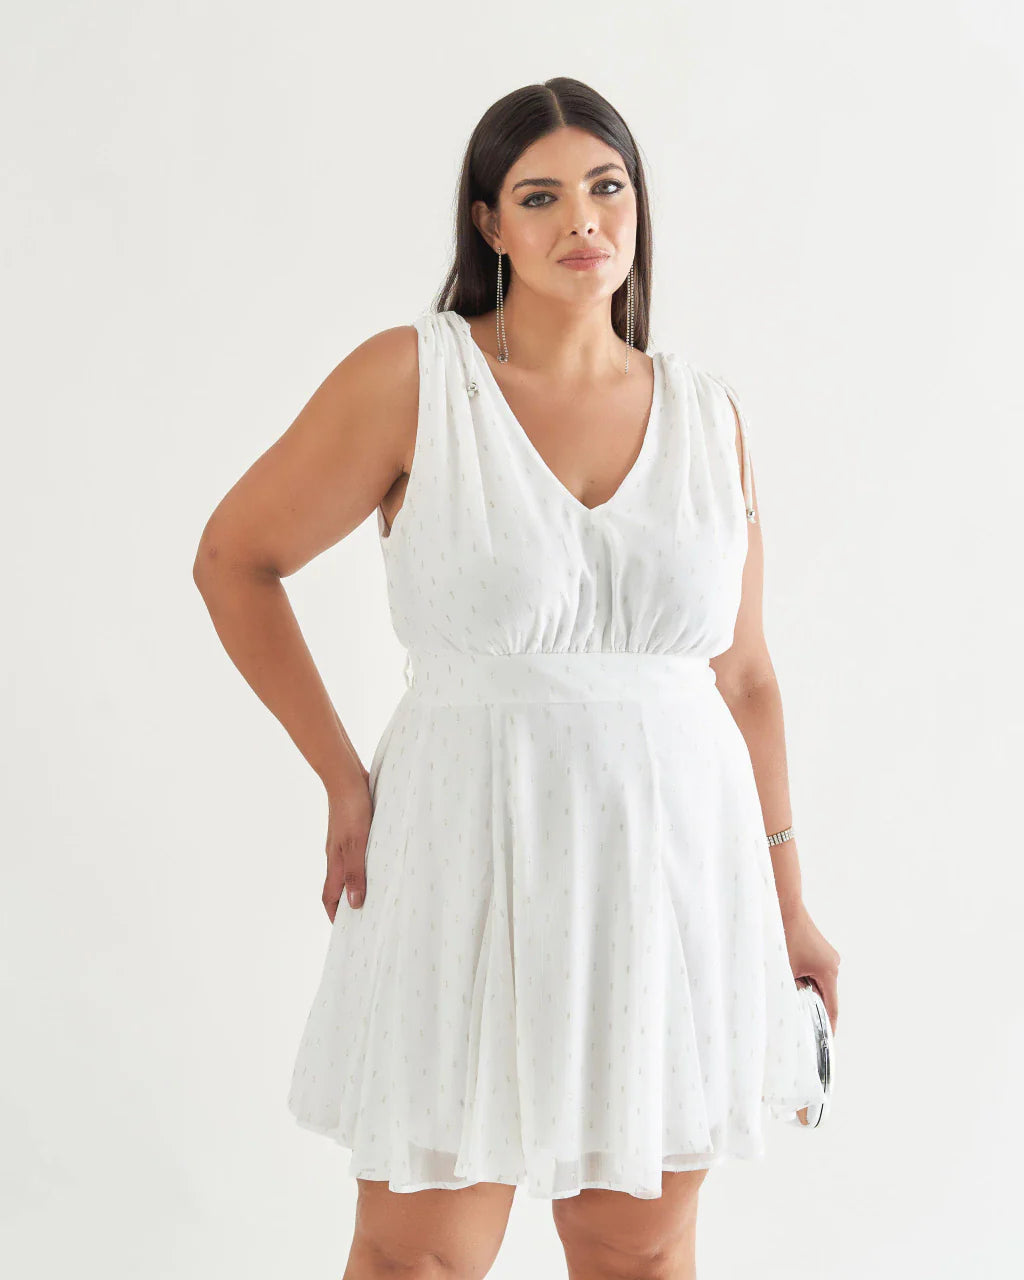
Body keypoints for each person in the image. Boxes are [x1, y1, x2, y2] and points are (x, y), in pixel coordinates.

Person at [193, 76, 840, 1280]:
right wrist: (341, 777)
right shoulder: (414, 377)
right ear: (489, 222)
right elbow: (236, 559)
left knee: (636, 1246)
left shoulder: (709, 415)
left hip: (672, 871)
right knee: (419, 1252)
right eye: (539, 197)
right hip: (463, 853)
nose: (581, 218)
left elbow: (746, 675)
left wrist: (789, 904)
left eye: (606, 186)